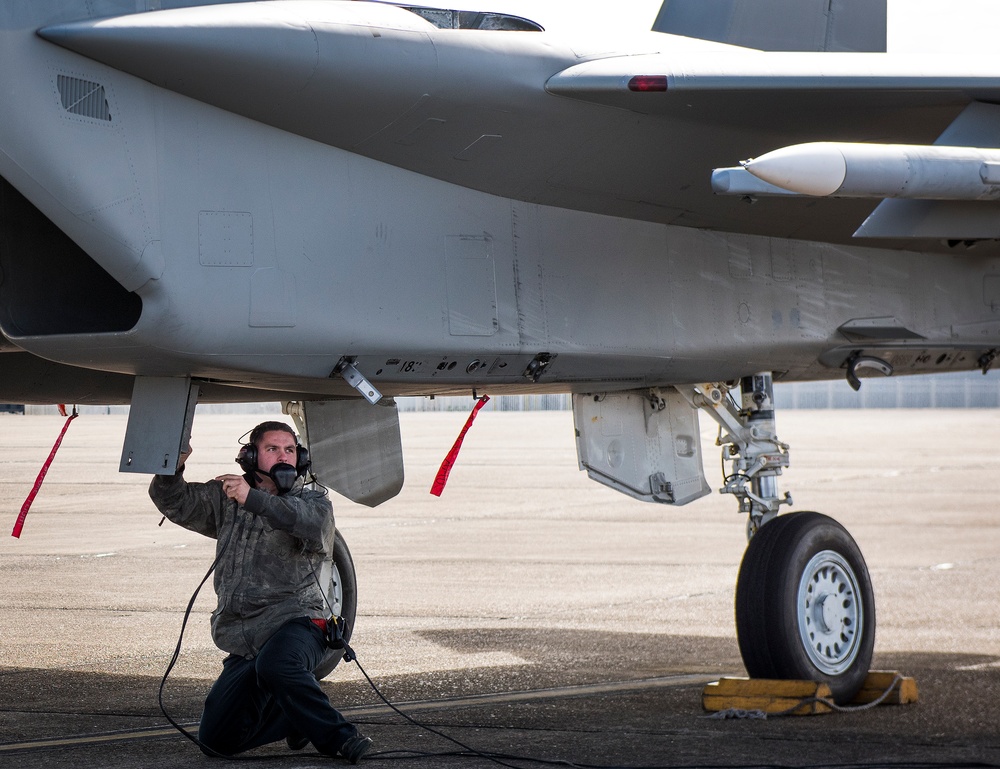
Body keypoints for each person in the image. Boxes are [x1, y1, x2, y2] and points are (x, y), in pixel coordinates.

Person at [149, 420, 372, 763]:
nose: (284, 456)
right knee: (215, 740)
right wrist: (173, 465)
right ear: (251, 456)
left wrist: (250, 498)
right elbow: (174, 501)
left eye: (290, 449)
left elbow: (303, 523)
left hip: (299, 624)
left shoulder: (313, 502)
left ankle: (340, 737)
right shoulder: (227, 499)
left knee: (278, 665)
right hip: (245, 636)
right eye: (272, 449)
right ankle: (294, 718)